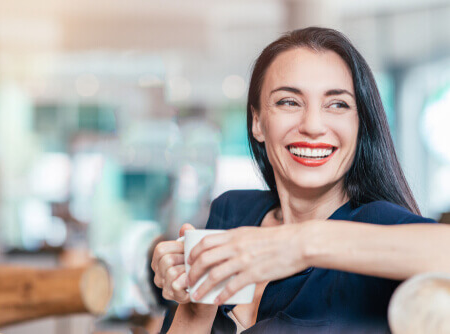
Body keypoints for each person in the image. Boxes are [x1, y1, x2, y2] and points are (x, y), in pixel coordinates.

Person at [151, 27, 443, 333]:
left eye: (337, 104)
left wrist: (300, 243)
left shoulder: (378, 223)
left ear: (360, 125)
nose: (313, 126)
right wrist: (196, 306)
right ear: (257, 123)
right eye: (289, 102)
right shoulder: (233, 211)